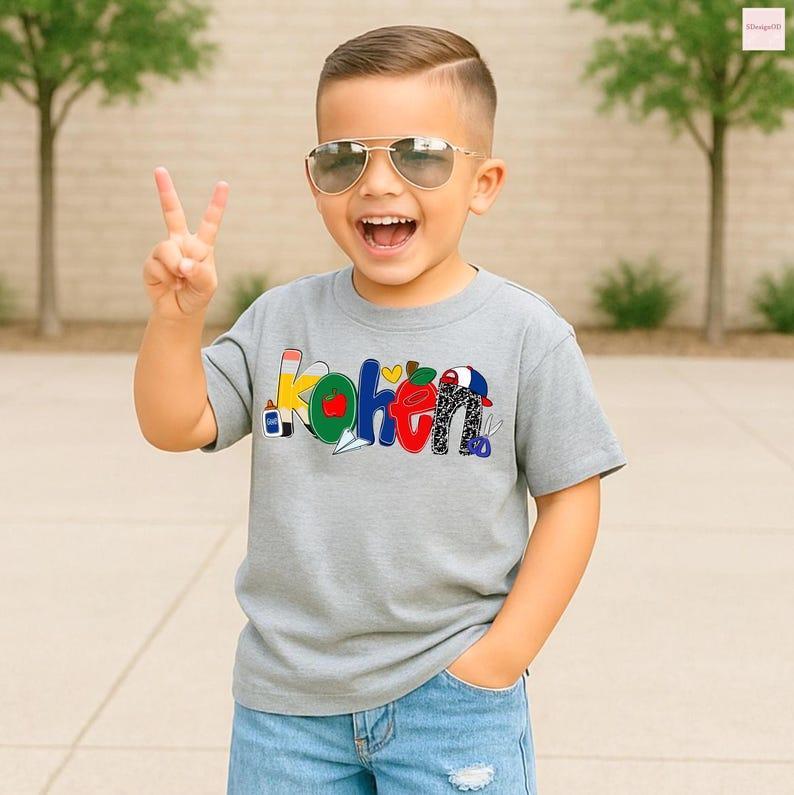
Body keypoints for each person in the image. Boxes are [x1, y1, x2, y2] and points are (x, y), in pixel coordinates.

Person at [134, 24, 628, 795]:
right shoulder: (281, 320)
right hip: (287, 704)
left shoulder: (525, 334)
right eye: (344, 158)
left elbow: (572, 495)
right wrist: (175, 319)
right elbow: (176, 423)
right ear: (316, 182)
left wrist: (500, 658)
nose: (377, 183)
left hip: (453, 697)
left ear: (484, 182)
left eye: (419, 155)